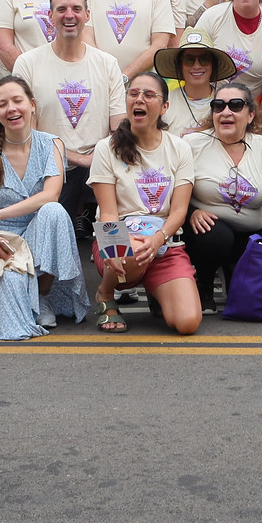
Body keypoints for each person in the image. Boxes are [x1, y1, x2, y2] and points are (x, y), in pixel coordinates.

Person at [0, 75, 89, 334]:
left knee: (54, 211)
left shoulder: (52, 144)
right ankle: (14, 297)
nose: (12, 109)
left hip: (42, 238)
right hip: (3, 245)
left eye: (18, 101)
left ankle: (43, 294)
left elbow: (51, 195)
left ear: (32, 104)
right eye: (3, 104)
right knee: (12, 325)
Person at [183, 77, 262, 311]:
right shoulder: (191, 144)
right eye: (218, 106)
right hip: (209, 230)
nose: (225, 112)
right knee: (217, 237)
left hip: (253, 228)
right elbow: (173, 192)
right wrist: (191, 212)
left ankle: (233, 270)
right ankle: (204, 281)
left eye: (235, 105)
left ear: (251, 115)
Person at [88, 72, 200, 334]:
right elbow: (108, 212)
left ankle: (156, 289)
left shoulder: (179, 148)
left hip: (164, 244)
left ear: (164, 107)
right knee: (132, 248)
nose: (139, 99)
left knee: (187, 323)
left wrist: (159, 239)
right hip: (124, 242)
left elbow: (179, 210)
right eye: (134, 93)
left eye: (149, 95)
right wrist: (112, 248)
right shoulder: (106, 148)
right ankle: (105, 293)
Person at [13, 0, 127, 239]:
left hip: (100, 162)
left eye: (76, 9)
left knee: (123, 204)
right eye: (61, 9)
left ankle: (116, 265)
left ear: (87, 15)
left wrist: (96, 158)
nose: (69, 15)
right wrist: (77, 158)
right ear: (50, 15)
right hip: (49, 166)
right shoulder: (28, 63)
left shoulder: (107, 64)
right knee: (53, 228)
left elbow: (119, 126)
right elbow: (24, 132)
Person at [156, 30, 234, 133]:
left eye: (204, 59)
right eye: (189, 60)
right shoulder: (164, 101)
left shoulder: (227, 103)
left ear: (213, 64)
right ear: (180, 65)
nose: (197, 66)